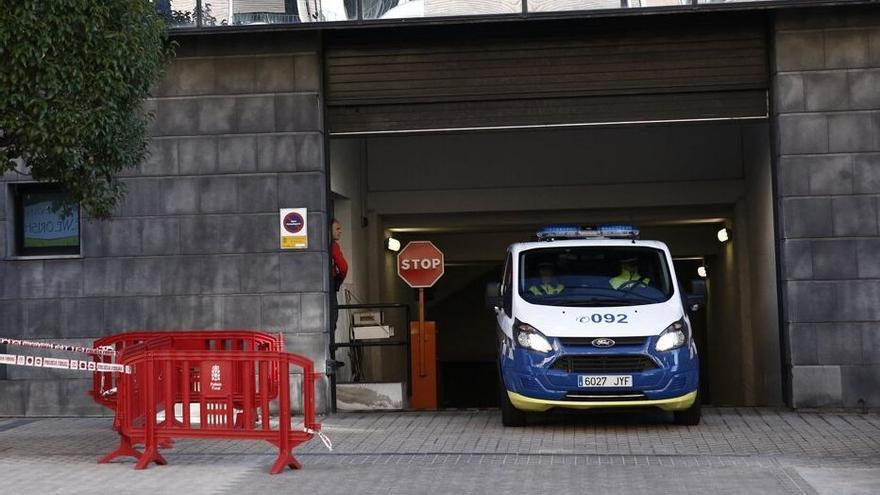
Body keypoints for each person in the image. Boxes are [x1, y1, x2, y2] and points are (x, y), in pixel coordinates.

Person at [331, 218, 348, 291]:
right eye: (337, 229)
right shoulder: (333, 246)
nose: (340, 231)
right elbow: (343, 268)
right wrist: (338, 281)